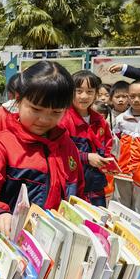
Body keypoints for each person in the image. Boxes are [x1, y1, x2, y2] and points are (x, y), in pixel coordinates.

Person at [0, 61, 84, 236]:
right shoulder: (0, 145)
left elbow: (77, 195)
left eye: (56, 112)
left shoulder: (67, 147)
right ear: (18, 99)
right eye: (36, 109)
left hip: (55, 245)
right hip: (12, 244)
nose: (44, 119)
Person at [59, 71, 113, 207]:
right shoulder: (62, 119)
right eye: (78, 91)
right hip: (72, 184)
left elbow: (107, 144)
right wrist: (86, 157)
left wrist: (108, 161)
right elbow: (58, 151)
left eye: (89, 91)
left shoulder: (100, 120)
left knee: (96, 222)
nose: (84, 96)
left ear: (96, 94)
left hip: (96, 184)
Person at [113, 80, 140, 208]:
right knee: (120, 209)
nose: (136, 100)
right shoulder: (120, 120)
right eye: (132, 96)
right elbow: (114, 145)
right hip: (123, 174)